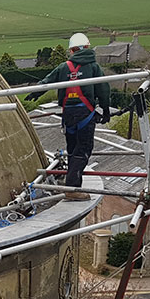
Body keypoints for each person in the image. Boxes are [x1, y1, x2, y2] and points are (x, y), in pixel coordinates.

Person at [32, 32, 111, 201]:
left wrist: (35, 93)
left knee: (72, 149)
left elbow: (47, 81)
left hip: (68, 116)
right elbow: (103, 89)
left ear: (72, 50)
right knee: (82, 151)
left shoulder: (63, 67)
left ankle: (72, 183)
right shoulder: (93, 67)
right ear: (87, 48)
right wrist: (105, 109)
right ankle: (72, 188)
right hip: (85, 114)